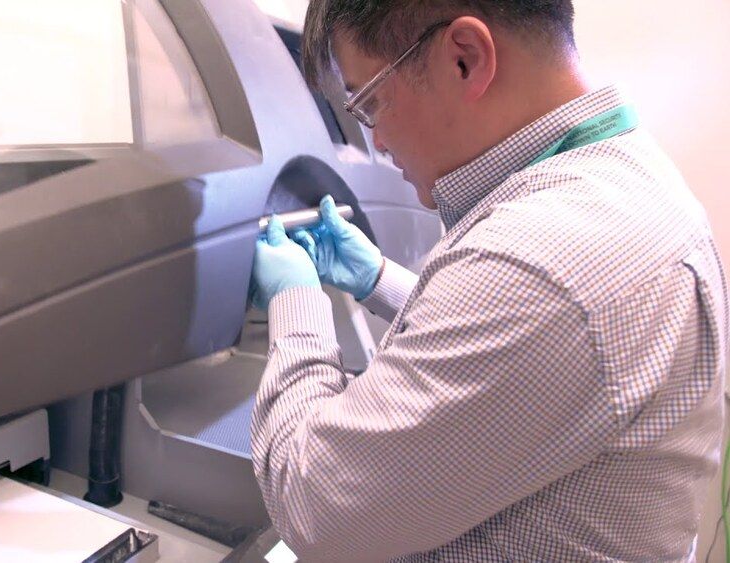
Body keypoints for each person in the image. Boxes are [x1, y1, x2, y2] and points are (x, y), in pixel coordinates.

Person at [248, 1, 728, 561]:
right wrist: (378, 279)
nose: (376, 141)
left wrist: (296, 303)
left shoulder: (536, 264)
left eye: (371, 102)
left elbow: (314, 507)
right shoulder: (620, 174)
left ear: (465, 59)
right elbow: (527, 363)